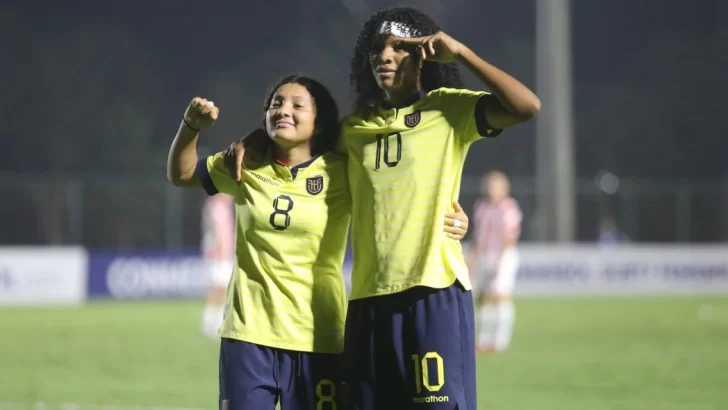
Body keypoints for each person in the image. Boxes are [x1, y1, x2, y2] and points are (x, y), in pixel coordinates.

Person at [167, 74, 471, 410]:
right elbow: (181, 175)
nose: (283, 111)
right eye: (276, 104)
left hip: (319, 334)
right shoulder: (246, 165)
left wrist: (455, 215)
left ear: (320, 120)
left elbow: (395, 193)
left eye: (298, 105)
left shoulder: (343, 169)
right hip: (247, 333)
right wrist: (191, 127)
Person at [339, 7, 540, 410]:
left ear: (423, 55)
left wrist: (462, 52)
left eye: (400, 47)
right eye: (378, 48)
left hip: (433, 294)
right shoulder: (350, 131)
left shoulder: (448, 109)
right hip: (367, 300)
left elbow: (526, 106)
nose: (386, 56)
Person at [471, 171, 523, 354]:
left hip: (502, 255)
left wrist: (500, 262)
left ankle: (500, 342)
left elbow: (509, 236)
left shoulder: (508, 207)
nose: (491, 189)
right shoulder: (481, 206)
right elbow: (477, 236)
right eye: (489, 185)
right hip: (484, 255)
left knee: (501, 296)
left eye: (496, 185)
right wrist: (473, 258)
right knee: (483, 298)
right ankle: (483, 340)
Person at [200, 193, 236, 338]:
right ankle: (209, 321)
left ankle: (216, 321)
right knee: (217, 288)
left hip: (225, 253)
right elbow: (217, 231)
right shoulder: (217, 206)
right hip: (218, 254)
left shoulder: (223, 207)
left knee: (223, 289)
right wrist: (219, 249)